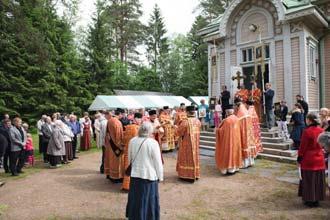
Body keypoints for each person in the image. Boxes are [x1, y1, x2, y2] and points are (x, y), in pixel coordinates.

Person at [126, 122, 163, 220]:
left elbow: (129, 158)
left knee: (136, 199)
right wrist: (160, 176)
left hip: (135, 174)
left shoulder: (132, 140)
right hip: (149, 176)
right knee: (148, 199)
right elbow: (158, 162)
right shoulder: (153, 143)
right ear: (150, 131)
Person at [298, 113, 326, 207]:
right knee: (318, 180)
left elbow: (303, 146)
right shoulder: (322, 130)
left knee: (309, 179)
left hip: (309, 159)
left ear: (309, 120)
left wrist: (299, 157)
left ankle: (310, 200)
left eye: (307, 119)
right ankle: (317, 199)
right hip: (320, 158)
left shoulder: (307, 131)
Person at [175, 106, 201, 182]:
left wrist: (175, 127)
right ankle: (195, 174)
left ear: (187, 112)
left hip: (186, 144)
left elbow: (178, 132)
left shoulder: (185, 122)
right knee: (194, 158)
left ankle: (186, 175)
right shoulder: (198, 121)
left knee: (186, 159)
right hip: (195, 144)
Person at [215, 106, 242, 175]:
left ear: (227, 112)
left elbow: (222, 131)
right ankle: (235, 168)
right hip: (236, 140)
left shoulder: (226, 120)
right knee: (235, 153)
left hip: (228, 141)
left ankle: (228, 169)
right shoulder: (237, 119)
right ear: (232, 111)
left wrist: (217, 130)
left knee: (228, 153)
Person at [122, 112, 142, 191]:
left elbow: (124, 139)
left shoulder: (128, 127)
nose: (140, 121)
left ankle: (126, 185)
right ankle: (134, 186)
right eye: (140, 119)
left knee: (128, 167)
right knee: (135, 168)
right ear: (136, 119)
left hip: (127, 151)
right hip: (136, 151)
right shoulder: (137, 128)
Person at [105, 108, 124, 183]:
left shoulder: (109, 120)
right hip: (116, 146)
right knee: (117, 162)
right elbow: (119, 135)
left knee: (110, 160)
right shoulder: (118, 122)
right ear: (120, 114)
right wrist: (121, 145)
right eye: (123, 114)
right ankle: (117, 177)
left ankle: (110, 175)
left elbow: (107, 133)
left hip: (110, 145)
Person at [235, 101, 256, 168]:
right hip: (249, 134)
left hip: (243, 133)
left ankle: (244, 163)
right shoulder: (246, 112)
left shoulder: (240, 114)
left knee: (244, 146)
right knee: (248, 146)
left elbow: (237, 125)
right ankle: (250, 162)